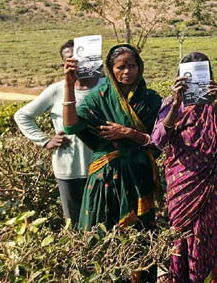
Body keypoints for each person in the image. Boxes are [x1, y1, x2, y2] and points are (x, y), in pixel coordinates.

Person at [151, 52, 217, 283]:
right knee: (184, 241)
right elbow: (158, 140)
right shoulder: (170, 105)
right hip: (183, 185)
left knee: (214, 239)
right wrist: (177, 104)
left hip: (214, 184)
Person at [62, 44, 162, 232]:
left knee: (139, 236)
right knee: (102, 231)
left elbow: (159, 141)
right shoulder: (98, 97)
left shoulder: (151, 100)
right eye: (120, 67)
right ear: (110, 69)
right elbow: (70, 126)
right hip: (106, 178)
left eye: (132, 66)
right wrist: (69, 84)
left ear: (139, 67)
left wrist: (128, 133)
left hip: (139, 177)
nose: (127, 72)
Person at [14, 40, 103, 226]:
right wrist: (45, 141)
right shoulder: (56, 90)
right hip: (68, 169)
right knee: (74, 223)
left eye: (79, 58)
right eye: (69, 60)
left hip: (103, 167)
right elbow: (22, 115)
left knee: (102, 222)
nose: (75, 63)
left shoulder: (107, 86)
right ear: (64, 64)